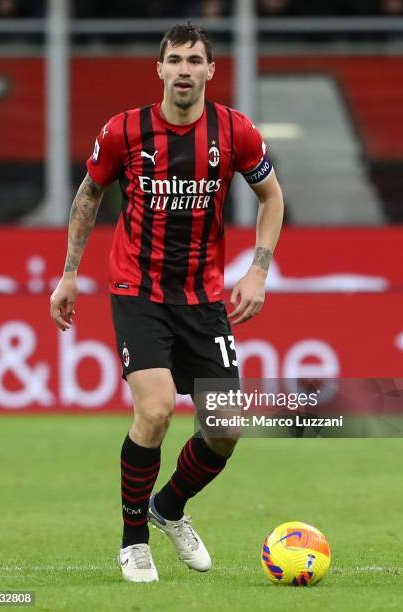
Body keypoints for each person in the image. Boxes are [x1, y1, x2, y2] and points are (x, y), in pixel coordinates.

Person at [50, 23, 284, 583]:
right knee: (154, 410)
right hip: (139, 293)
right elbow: (89, 194)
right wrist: (69, 273)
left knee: (226, 428)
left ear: (210, 70)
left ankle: (168, 508)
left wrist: (258, 269)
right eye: (174, 59)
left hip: (203, 298)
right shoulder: (124, 131)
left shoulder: (235, 131)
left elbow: (270, 196)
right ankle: (133, 542)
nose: (184, 69)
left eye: (194, 60)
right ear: (159, 69)